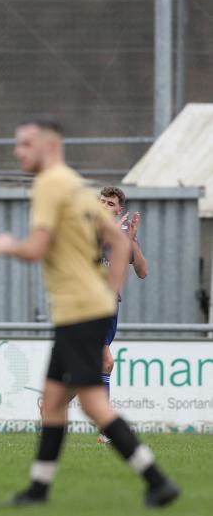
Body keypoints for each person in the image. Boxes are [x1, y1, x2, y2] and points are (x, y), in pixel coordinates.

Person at [0, 115, 178, 507]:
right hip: (87, 308)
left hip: (78, 310)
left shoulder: (49, 186)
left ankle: (157, 480)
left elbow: (36, 249)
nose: (16, 151)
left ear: (49, 145)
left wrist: (6, 246)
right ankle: (38, 490)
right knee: (54, 401)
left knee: (91, 403)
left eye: (24, 144)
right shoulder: (76, 185)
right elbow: (119, 245)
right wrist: (109, 295)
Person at [97, 187, 148, 438]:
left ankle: (53, 404)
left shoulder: (124, 235)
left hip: (110, 309)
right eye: (102, 201)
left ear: (120, 210)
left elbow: (142, 271)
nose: (104, 205)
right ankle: (106, 429)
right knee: (107, 362)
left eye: (110, 203)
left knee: (91, 369)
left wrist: (131, 242)